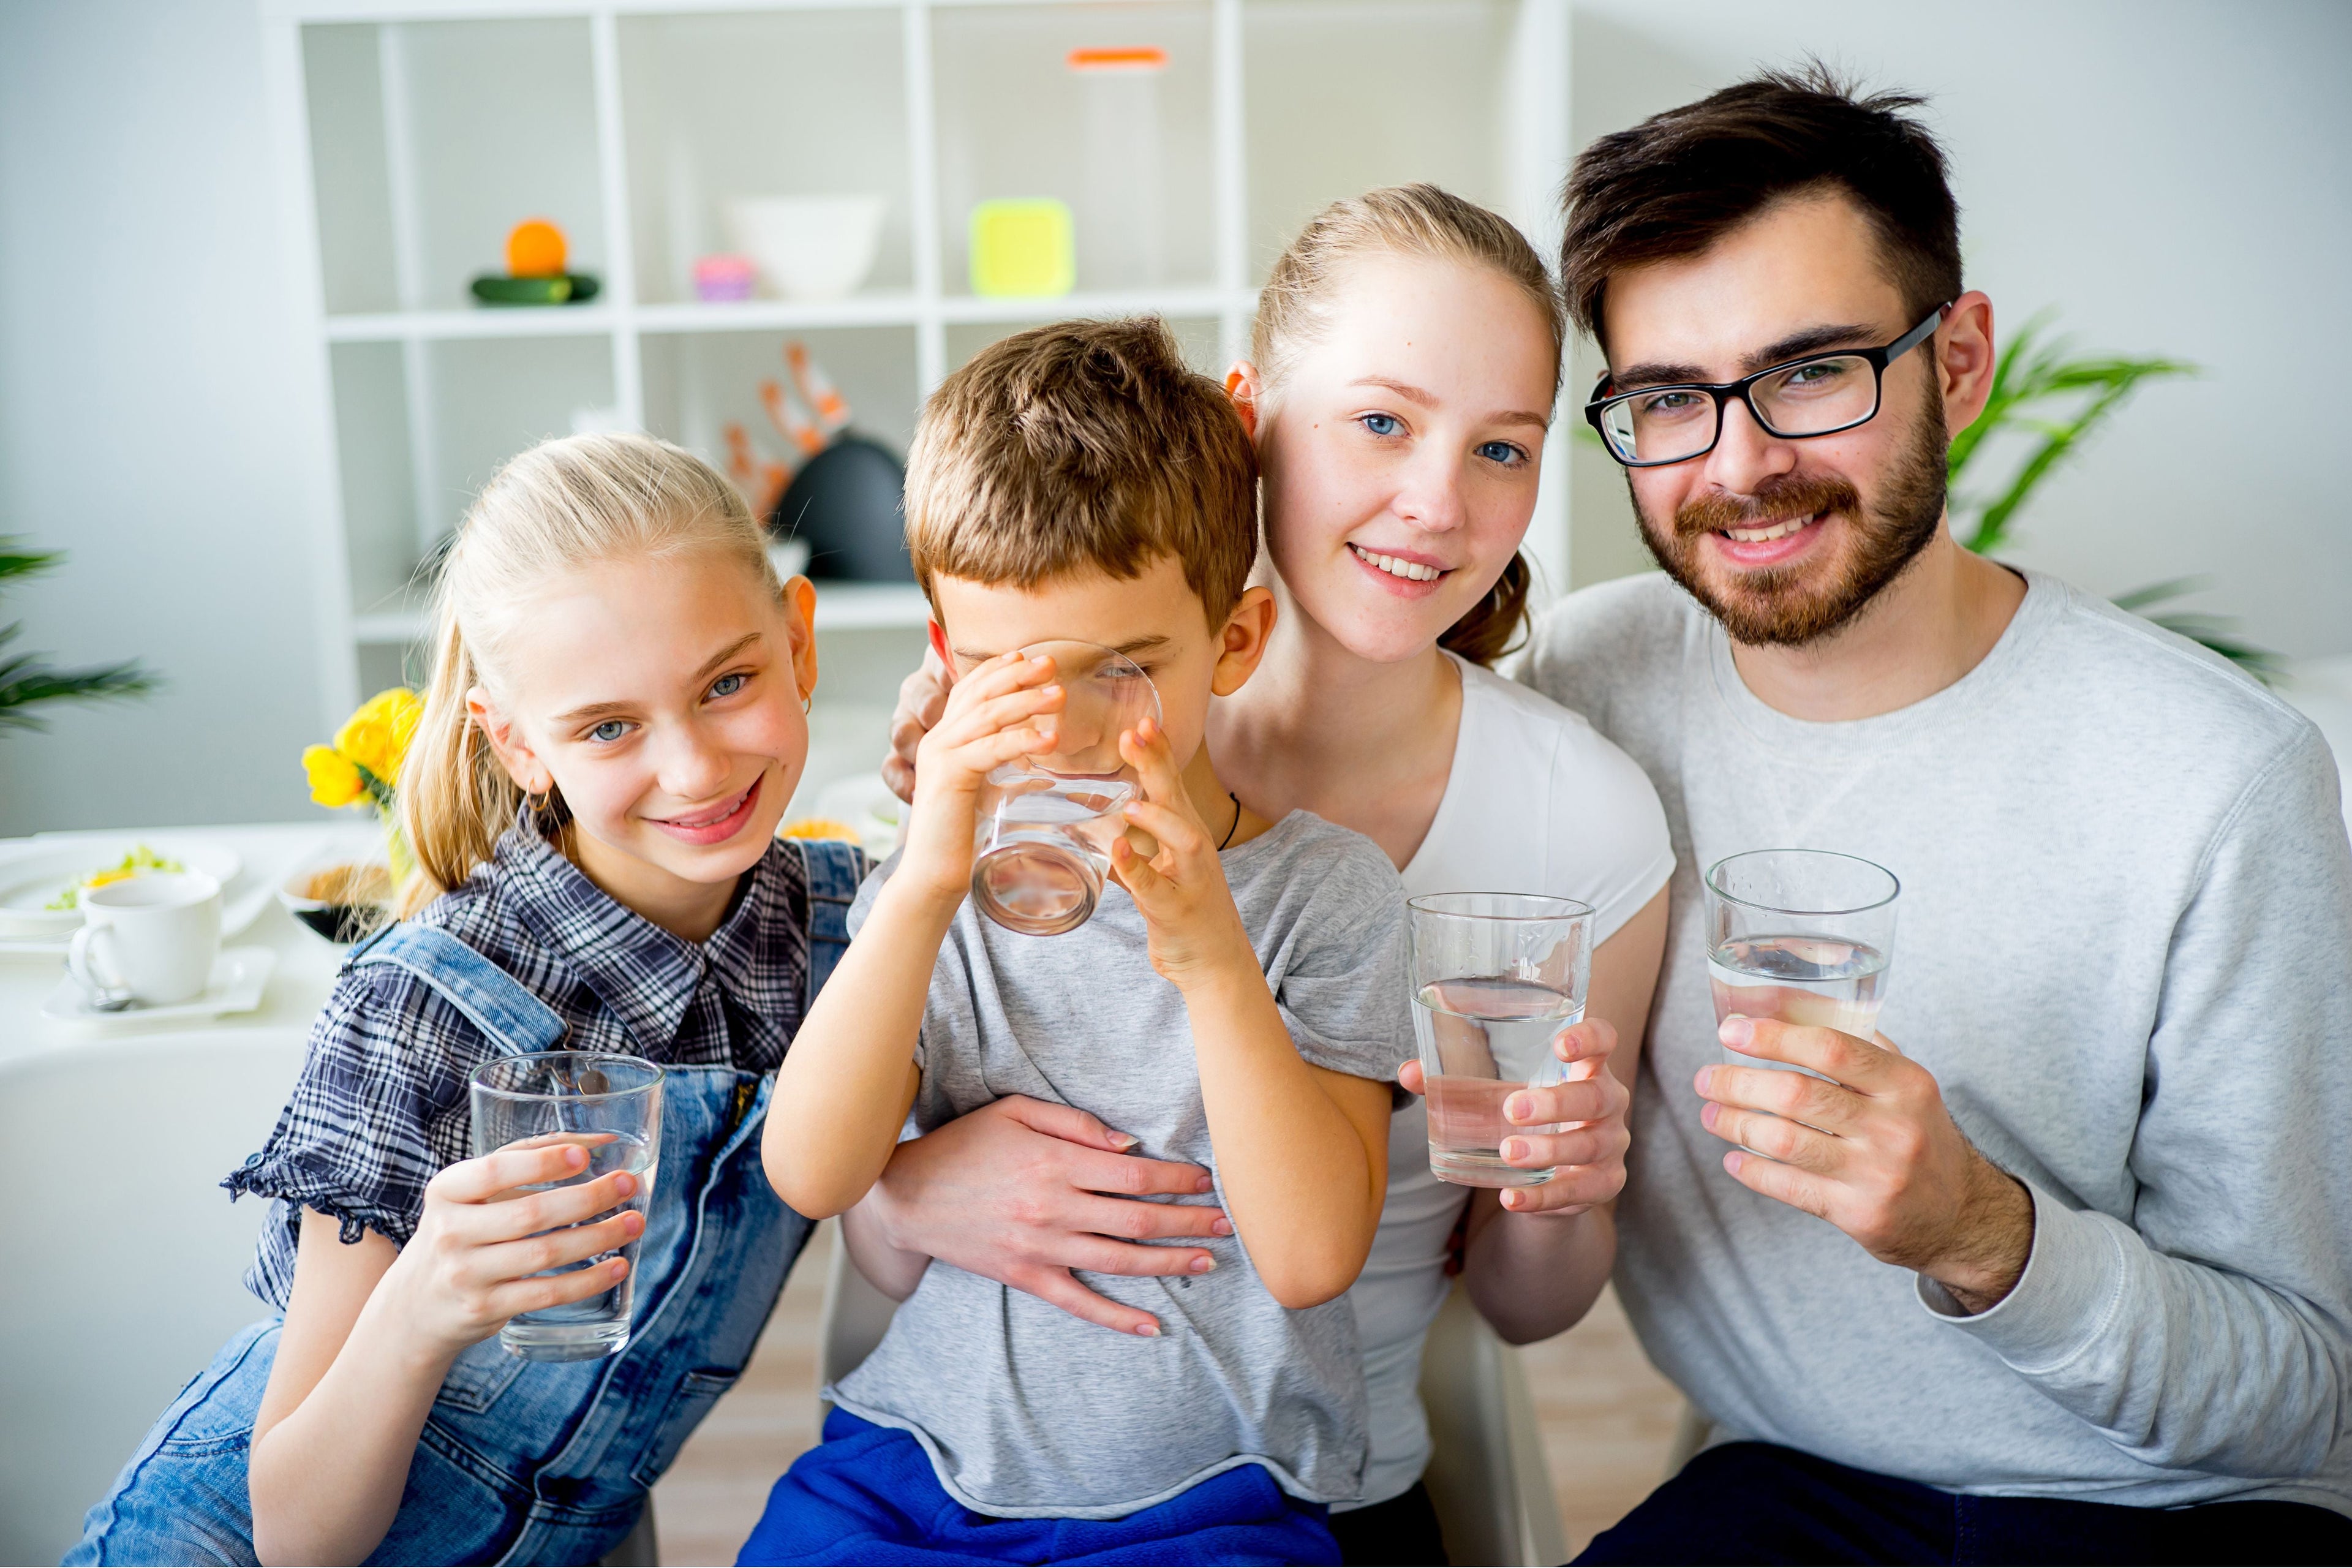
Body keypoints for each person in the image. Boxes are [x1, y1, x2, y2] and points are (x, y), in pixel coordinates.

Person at [1522, 69, 2352, 1563]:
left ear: (1957, 361)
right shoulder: (1593, 677)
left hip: (2168, 1509)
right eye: (1666, 399)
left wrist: (1983, 1229)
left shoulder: (2218, 777)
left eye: (1816, 371)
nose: (1740, 463)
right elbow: (1321, 730)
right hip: (1788, 1485)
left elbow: (2310, 1386)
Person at [871, 187, 1673, 1562]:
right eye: (1380, 421)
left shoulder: (1582, 819)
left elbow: (1528, 1309)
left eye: (1501, 448)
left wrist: (1568, 1188)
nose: (1436, 501)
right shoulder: (1020, 759)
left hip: (1307, 1488)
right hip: (983, 1456)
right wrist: (908, 1186)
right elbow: (866, 1219)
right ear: (1249, 413)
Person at [69, 433, 862, 1566]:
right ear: (520, 746)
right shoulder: (414, 1006)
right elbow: (296, 1534)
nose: (692, 768)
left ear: (799, 641)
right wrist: (426, 1300)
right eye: (608, 727)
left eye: (728, 683)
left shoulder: (842, 933)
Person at [740, 316, 1408, 1566]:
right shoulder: (927, 890)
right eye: (1009, 672)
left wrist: (1213, 953)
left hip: (1217, 1497)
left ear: (1236, 641)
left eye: (1124, 666)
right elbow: (814, 1173)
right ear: (947, 660)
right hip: (912, 1470)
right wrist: (927, 874)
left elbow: (1313, 1254)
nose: (1069, 729)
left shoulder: (1324, 894)